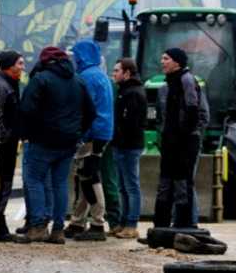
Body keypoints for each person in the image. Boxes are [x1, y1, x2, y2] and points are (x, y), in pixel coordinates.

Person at [15, 46, 95, 244]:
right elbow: (91, 112)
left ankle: (38, 227)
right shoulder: (79, 81)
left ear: (45, 61)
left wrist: (27, 134)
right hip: (68, 143)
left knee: (35, 180)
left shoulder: (41, 80)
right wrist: (78, 133)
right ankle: (58, 230)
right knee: (60, 184)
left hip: (41, 141)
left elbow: (26, 109)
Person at [66, 40, 114, 241]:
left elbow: (86, 109)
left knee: (89, 177)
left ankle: (97, 223)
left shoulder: (86, 77)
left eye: (75, 55)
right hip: (102, 132)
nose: (73, 59)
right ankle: (78, 221)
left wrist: (81, 134)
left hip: (91, 134)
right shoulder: (101, 75)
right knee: (86, 175)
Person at [154, 48, 202, 228]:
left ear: (177, 62)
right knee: (165, 182)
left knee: (182, 183)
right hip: (170, 141)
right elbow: (160, 116)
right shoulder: (166, 86)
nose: (162, 62)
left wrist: (184, 136)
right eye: (162, 58)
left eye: (166, 59)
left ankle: (184, 224)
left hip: (184, 142)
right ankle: (161, 225)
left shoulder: (187, 80)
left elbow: (193, 110)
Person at [109, 58, 147, 239]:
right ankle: (124, 223)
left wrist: (120, 139)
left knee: (131, 186)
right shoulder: (124, 91)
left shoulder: (133, 93)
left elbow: (132, 123)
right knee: (123, 187)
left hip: (129, 146)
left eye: (117, 71)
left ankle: (131, 224)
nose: (113, 74)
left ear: (127, 73)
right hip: (121, 145)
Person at [0, 50, 24, 241]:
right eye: (19, 63)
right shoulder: (2, 86)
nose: (22, 67)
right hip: (2, 148)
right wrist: (4, 138)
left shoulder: (10, 84)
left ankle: (0, 223)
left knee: (4, 184)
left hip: (9, 145)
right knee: (1, 184)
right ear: (9, 65)